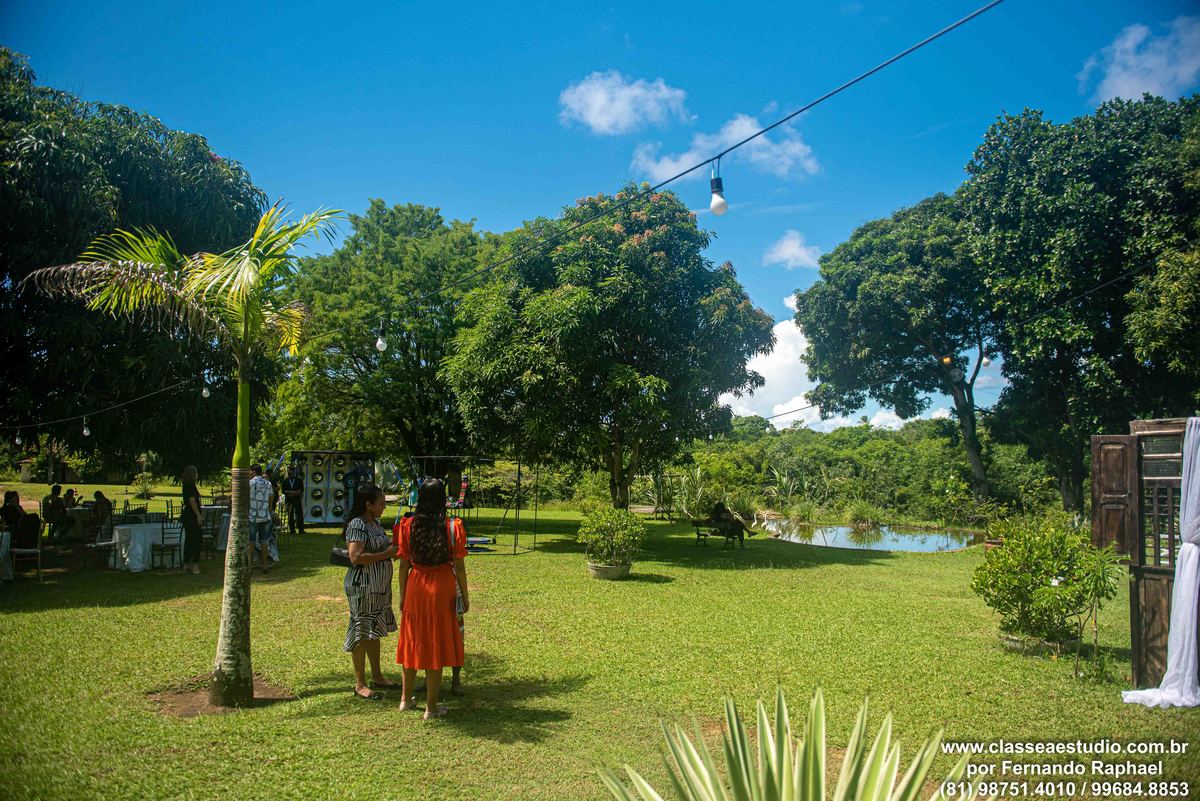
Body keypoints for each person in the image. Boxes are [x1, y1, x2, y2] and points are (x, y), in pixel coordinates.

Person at [395, 478, 469, 719]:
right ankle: (431, 707)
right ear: (442, 499)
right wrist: (465, 597)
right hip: (442, 587)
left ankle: (405, 699)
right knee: (435, 643)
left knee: (413, 639)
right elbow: (459, 566)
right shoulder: (451, 527)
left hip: (416, 586)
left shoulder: (408, 525)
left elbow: (403, 565)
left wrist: (403, 596)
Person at [342, 484, 399, 700]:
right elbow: (356, 556)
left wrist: (392, 548)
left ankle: (377, 676)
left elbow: (380, 548)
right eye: (381, 504)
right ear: (368, 505)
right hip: (363, 586)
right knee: (361, 631)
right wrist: (386, 554)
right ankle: (360, 684)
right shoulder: (358, 524)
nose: (384, 507)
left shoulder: (374, 523)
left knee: (374, 630)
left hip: (378, 587)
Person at [247, 464, 274, 573]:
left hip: (253, 516)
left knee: (251, 541)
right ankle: (265, 566)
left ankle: (249, 566)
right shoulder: (268, 483)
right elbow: (271, 499)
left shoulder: (250, 483)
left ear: (253, 472)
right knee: (264, 541)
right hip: (265, 516)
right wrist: (269, 512)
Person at [180, 465, 203, 575]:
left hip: (188, 515)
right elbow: (192, 501)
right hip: (191, 515)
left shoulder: (187, 485)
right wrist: (198, 515)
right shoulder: (190, 486)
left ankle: (187, 563)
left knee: (189, 539)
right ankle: (194, 563)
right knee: (196, 539)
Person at [282, 465, 305, 537]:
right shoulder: (285, 480)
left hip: (297, 499)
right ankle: (292, 530)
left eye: (290, 470)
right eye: (288, 470)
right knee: (290, 514)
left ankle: (301, 529)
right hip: (288, 499)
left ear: (293, 471)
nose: (289, 471)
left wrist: (293, 493)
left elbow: (301, 490)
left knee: (299, 514)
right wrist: (293, 492)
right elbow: (283, 491)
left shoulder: (298, 480)